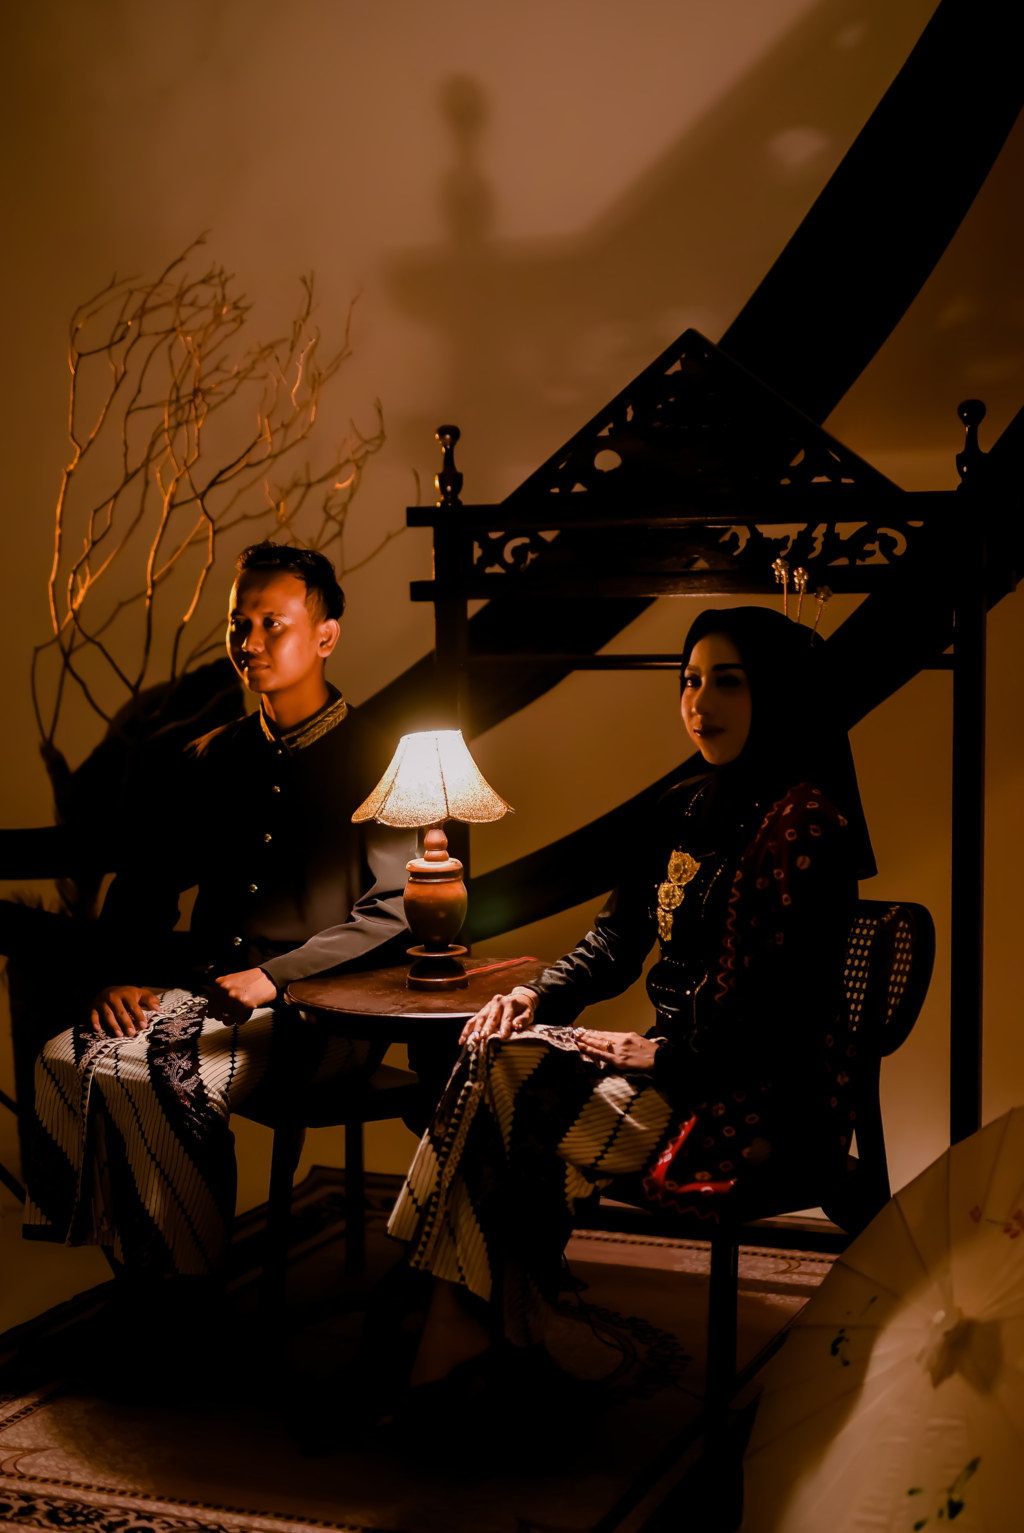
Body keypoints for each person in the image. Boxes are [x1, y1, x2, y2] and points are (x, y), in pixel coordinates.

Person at [385, 605, 874, 1411]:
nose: (700, 702)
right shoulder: (680, 807)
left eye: (728, 681)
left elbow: (786, 1008)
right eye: (689, 680)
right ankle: (490, 1336)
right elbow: (617, 940)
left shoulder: (806, 824)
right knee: (493, 1055)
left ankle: (460, 1330)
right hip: (670, 1068)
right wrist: (533, 994)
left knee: (506, 1090)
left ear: (777, 691)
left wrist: (669, 1055)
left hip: (754, 1098)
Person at [24, 542, 417, 1287]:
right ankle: (145, 1270)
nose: (250, 642)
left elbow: (394, 912)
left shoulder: (383, 759)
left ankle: (192, 1289)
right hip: (207, 998)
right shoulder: (208, 757)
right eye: (241, 623)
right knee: (67, 1054)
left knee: (168, 1076)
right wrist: (121, 976)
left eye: (273, 624)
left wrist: (276, 978)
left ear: (326, 636)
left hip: (328, 1016)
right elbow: (147, 885)